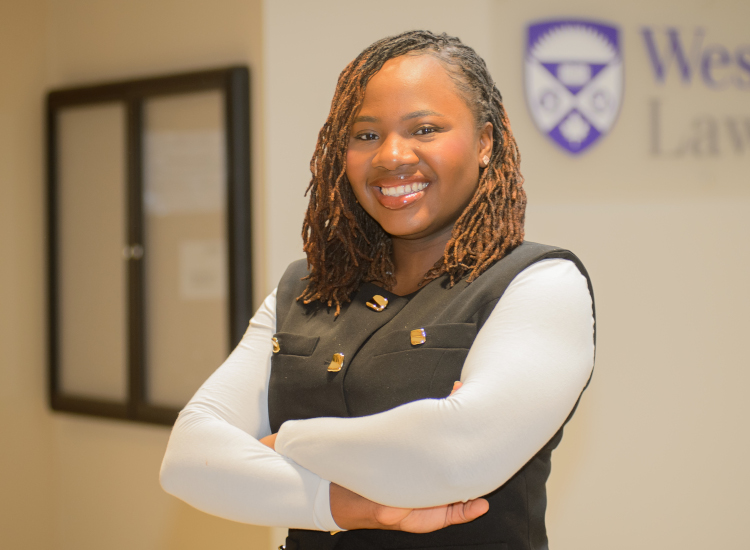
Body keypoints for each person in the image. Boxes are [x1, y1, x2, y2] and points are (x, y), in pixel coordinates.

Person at [160, 30, 595, 550]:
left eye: (425, 129)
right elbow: (188, 459)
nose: (391, 156)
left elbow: (456, 455)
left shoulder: (540, 283)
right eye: (366, 135)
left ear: (484, 142)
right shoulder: (304, 288)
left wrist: (285, 441)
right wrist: (350, 505)